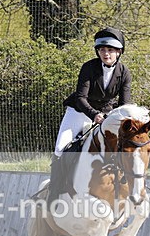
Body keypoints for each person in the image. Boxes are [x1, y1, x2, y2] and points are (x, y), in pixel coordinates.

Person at [53, 27, 132, 156]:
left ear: (118, 52)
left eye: (110, 50)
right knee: (60, 149)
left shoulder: (124, 73)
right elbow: (80, 98)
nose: (106, 53)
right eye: (102, 50)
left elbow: (124, 105)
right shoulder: (88, 67)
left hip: (105, 114)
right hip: (79, 112)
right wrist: (94, 115)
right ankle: (58, 176)